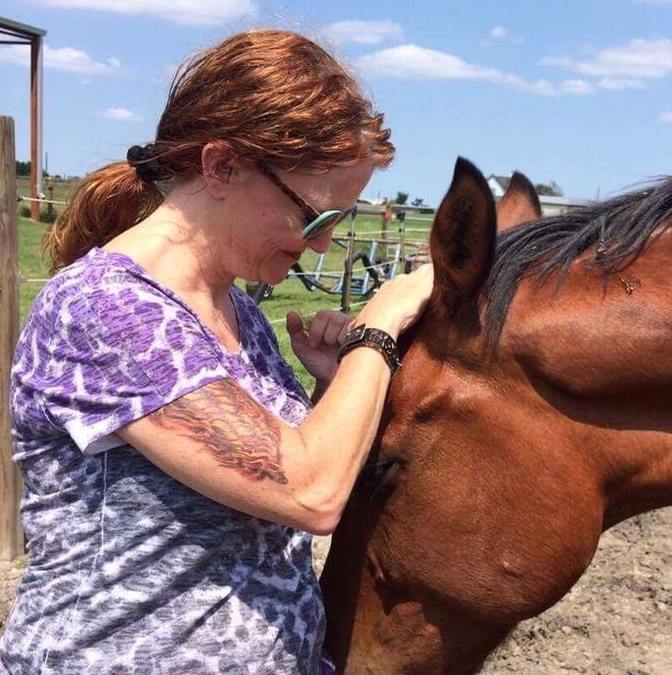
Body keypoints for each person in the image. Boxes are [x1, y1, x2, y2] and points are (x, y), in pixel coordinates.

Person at [0, 29, 432, 675]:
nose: (321, 247)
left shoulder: (239, 313)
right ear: (221, 165)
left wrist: (336, 384)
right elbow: (309, 491)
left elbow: (259, 483)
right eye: (316, 218)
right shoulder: (108, 310)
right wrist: (380, 325)